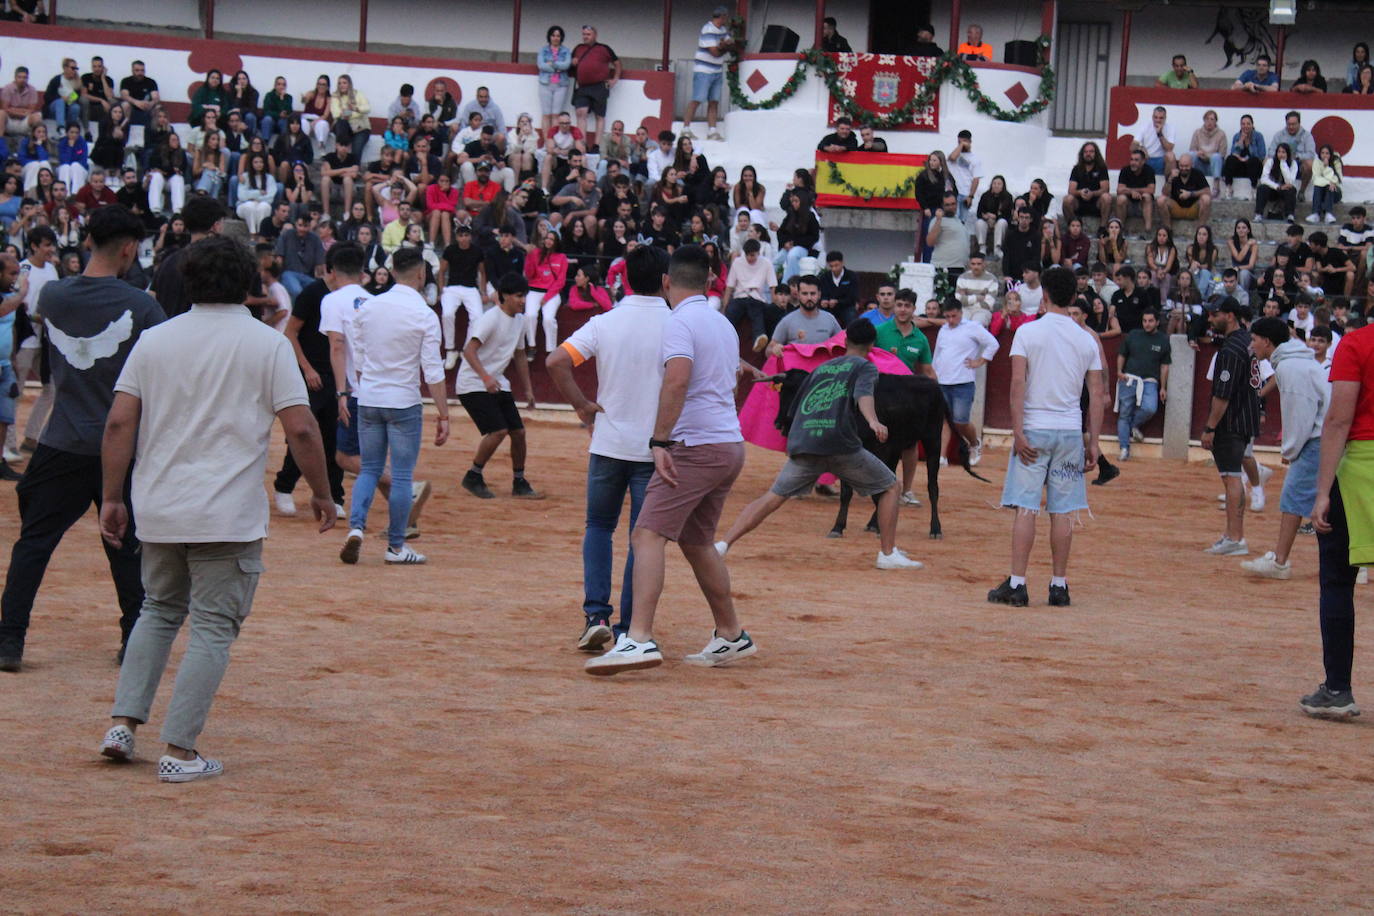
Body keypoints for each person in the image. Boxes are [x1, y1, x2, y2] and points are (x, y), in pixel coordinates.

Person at [95, 236, 335, 782]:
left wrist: (113, 495)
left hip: (159, 503)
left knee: (157, 610)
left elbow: (118, 423)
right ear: (248, 285)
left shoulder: (155, 340)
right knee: (211, 625)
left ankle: (123, 724)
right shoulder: (265, 343)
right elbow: (300, 425)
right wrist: (321, 492)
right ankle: (179, 751)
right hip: (226, 512)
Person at [0, 208, 163, 673]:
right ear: (129, 249)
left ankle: (10, 639)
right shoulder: (142, 306)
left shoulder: (53, 295)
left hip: (62, 440)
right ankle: (134, 639)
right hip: (124, 444)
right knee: (128, 546)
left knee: (33, 543)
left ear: (88, 240)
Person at [585, 245, 761, 674]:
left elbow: (678, 380)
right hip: (727, 444)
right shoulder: (722, 324)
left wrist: (660, 441)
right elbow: (732, 378)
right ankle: (732, 634)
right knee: (697, 542)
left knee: (646, 535)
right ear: (709, 281)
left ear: (666, 281)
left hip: (695, 447)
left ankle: (639, 638)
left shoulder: (679, 322)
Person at [718, 316, 924, 570]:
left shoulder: (821, 369)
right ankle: (887, 553)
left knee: (772, 497)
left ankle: (724, 544)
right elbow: (864, 395)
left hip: (807, 442)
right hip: (839, 444)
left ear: (845, 341)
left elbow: (799, 407)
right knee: (892, 487)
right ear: (873, 345)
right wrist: (873, 421)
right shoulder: (865, 367)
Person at [546, 246, 670, 649]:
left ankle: (596, 614)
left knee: (599, 527)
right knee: (644, 537)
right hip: (655, 449)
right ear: (665, 280)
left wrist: (582, 405)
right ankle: (631, 628)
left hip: (609, 440)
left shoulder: (605, 322)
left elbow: (555, 362)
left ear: (627, 279)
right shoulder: (676, 325)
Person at [987, 266, 1104, 608]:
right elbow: (1096, 393)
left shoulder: (1028, 333)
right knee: (1063, 511)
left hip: (1035, 431)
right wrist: (1093, 442)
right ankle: (1059, 585)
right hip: (1069, 434)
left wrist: (1018, 431)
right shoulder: (1086, 338)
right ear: (1073, 297)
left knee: (1026, 507)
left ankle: (1019, 583)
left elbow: (1017, 385)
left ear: (1045, 295)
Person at [339, 247, 449, 566]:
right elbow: (433, 370)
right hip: (403, 401)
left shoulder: (369, 308)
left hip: (370, 397)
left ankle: (356, 528)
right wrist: (443, 414)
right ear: (421, 274)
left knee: (370, 469)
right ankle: (396, 547)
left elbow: (357, 357)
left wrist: (369, 384)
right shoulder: (424, 314)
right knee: (401, 476)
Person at [1302, 314, 1374, 718]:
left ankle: (1338, 689)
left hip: (1363, 469)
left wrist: (1322, 491)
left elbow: (1339, 419)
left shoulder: (1356, 343)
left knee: (1336, 581)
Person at [1242, 317, 1328, 580]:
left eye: (1254, 339)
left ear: (1267, 341)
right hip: (1325, 436)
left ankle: (1280, 562)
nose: (1252, 344)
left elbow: (1301, 414)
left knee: (1292, 498)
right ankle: (1355, 564)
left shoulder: (1290, 368)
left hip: (1317, 439)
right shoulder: (1297, 363)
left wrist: (1291, 451)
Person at [456, 271, 542, 500]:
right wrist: (485, 377)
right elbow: (469, 351)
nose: (523, 300)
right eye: (518, 296)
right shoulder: (490, 318)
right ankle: (473, 475)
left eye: (524, 296)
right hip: (472, 383)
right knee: (499, 430)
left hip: (497, 382)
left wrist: (529, 389)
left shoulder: (521, 321)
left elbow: (520, 355)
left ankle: (519, 481)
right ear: (504, 295)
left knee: (519, 432)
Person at [1201, 297, 1262, 556]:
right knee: (1232, 477)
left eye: (1216, 314)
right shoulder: (1247, 343)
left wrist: (1210, 427)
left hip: (1231, 421)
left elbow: (1222, 394)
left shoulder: (1230, 350)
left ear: (1230, 316)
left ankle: (1235, 538)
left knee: (1231, 477)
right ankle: (1233, 536)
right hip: (1246, 417)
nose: (1211, 319)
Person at [932, 298, 999, 466]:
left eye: (954, 316)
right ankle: (942, 456)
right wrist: (933, 374)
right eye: (947, 316)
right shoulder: (943, 330)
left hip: (963, 382)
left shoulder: (973, 327)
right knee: (944, 420)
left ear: (961, 313)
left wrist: (980, 361)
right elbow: (938, 355)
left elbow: (993, 343)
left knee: (960, 420)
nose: (950, 320)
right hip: (943, 381)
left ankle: (974, 443)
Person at [1114, 309, 1170, 460]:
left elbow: (1165, 366)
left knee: (1150, 408)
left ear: (1157, 322)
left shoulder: (1163, 340)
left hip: (1150, 381)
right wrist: (1119, 371)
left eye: (1150, 321)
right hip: (1129, 379)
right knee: (1124, 413)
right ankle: (1124, 448)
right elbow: (1122, 354)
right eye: (1145, 321)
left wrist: (1163, 387)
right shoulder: (1133, 335)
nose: (1147, 324)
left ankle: (1132, 425)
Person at [683, 6, 735, 142]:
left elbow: (730, 44)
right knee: (697, 99)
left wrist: (723, 46)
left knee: (714, 101)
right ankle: (686, 129)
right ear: (722, 17)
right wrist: (723, 46)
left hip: (717, 70)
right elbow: (715, 52)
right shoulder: (708, 29)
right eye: (726, 17)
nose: (727, 20)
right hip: (704, 70)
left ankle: (712, 131)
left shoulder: (723, 30)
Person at [570, 25, 621, 150]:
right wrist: (572, 62)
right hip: (582, 86)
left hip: (599, 86)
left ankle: (597, 145)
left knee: (599, 115)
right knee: (580, 112)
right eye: (584, 34)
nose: (585, 37)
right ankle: (582, 144)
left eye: (588, 34)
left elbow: (617, 63)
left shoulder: (604, 48)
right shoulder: (578, 48)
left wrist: (615, 79)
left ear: (595, 35)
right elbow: (570, 64)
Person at [1064, 141, 1112, 224]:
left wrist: (1092, 193)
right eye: (1086, 152)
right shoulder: (1076, 169)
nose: (1088, 154)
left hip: (1096, 202)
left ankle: (1103, 227)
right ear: (1082, 154)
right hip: (1079, 202)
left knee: (1106, 197)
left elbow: (1105, 189)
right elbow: (1071, 190)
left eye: (1091, 151)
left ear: (1096, 153)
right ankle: (1072, 226)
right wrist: (1080, 192)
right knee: (1067, 199)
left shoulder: (1102, 168)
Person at [537, 26, 573, 136]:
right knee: (546, 114)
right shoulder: (543, 50)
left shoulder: (566, 51)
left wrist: (552, 63)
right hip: (545, 83)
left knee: (556, 115)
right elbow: (541, 65)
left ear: (561, 37)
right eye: (553, 35)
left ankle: (553, 140)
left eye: (558, 36)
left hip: (561, 84)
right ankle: (546, 142)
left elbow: (566, 65)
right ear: (549, 37)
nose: (555, 38)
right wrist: (558, 67)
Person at [1270, 111, 1316, 194]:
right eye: (1289, 124)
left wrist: (1296, 156)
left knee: (1310, 164)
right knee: (1267, 160)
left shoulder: (1307, 136)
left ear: (1299, 123)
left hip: (1298, 164)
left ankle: (1301, 192)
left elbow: (1311, 154)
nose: (1291, 127)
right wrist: (1281, 156)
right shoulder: (1279, 135)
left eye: (1294, 124)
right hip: (1281, 163)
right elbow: (1271, 151)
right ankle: (1274, 189)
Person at [947, 130, 983, 222]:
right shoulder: (955, 154)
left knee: (962, 220)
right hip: (954, 192)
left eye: (964, 141)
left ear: (970, 142)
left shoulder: (975, 159)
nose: (961, 144)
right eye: (959, 142)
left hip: (965, 194)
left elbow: (976, 179)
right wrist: (961, 145)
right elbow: (952, 158)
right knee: (953, 220)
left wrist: (970, 196)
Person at [818, 251, 858, 327]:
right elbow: (822, 293)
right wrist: (823, 300)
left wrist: (838, 302)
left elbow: (853, 297)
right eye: (831, 266)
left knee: (851, 317)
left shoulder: (851, 276)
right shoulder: (824, 277)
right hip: (828, 308)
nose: (834, 269)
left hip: (846, 307)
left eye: (836, 265)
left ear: (842, 263)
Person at [956, 253, 997, 326]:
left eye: (979, 264)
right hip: (965, 310)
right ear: (969, 264)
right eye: (973, 264)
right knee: (961, 324)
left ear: (984, 264)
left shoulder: (992, 279)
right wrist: (978, 297)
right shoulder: (962, 278)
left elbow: (988, 304)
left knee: (976, 325)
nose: (976, 267)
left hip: (983, 311)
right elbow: (959, 300)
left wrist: (967, 299)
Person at [1134, 106, 1176, 176]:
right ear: (1152, 117)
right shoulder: (1145, 127)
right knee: (1138, 155)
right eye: (1156, 117)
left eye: (1161, 118)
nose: (1158, 120)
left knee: (1171, 156)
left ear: (1165, 118)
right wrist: (1140, 148)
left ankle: (1168, 183)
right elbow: (1133, 146)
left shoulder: (1170, 128)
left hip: (1161, 160)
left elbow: (1169, 149)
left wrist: (1159, 134)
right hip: (1147, 159)